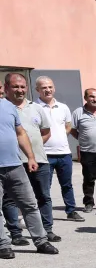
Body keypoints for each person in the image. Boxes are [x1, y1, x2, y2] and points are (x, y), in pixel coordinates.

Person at [0, 88, 59, 257]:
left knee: (30, 205)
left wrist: (31, 157)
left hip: (15, 166)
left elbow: (20, 133)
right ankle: (3, 245)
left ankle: (41, 241)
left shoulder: (9, 107)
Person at [35, 76, 83, 221]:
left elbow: (68, 127)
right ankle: (44, 215)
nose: (47, 90)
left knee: (67, 184)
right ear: (37, 90)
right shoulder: (34, 107)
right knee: (44, 187)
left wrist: (59, 137)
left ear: (54, 88)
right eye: (44, 87)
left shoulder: (63, 107)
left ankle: (71, 210)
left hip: (64, 153)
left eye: (50, 87)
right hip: (44, 155)